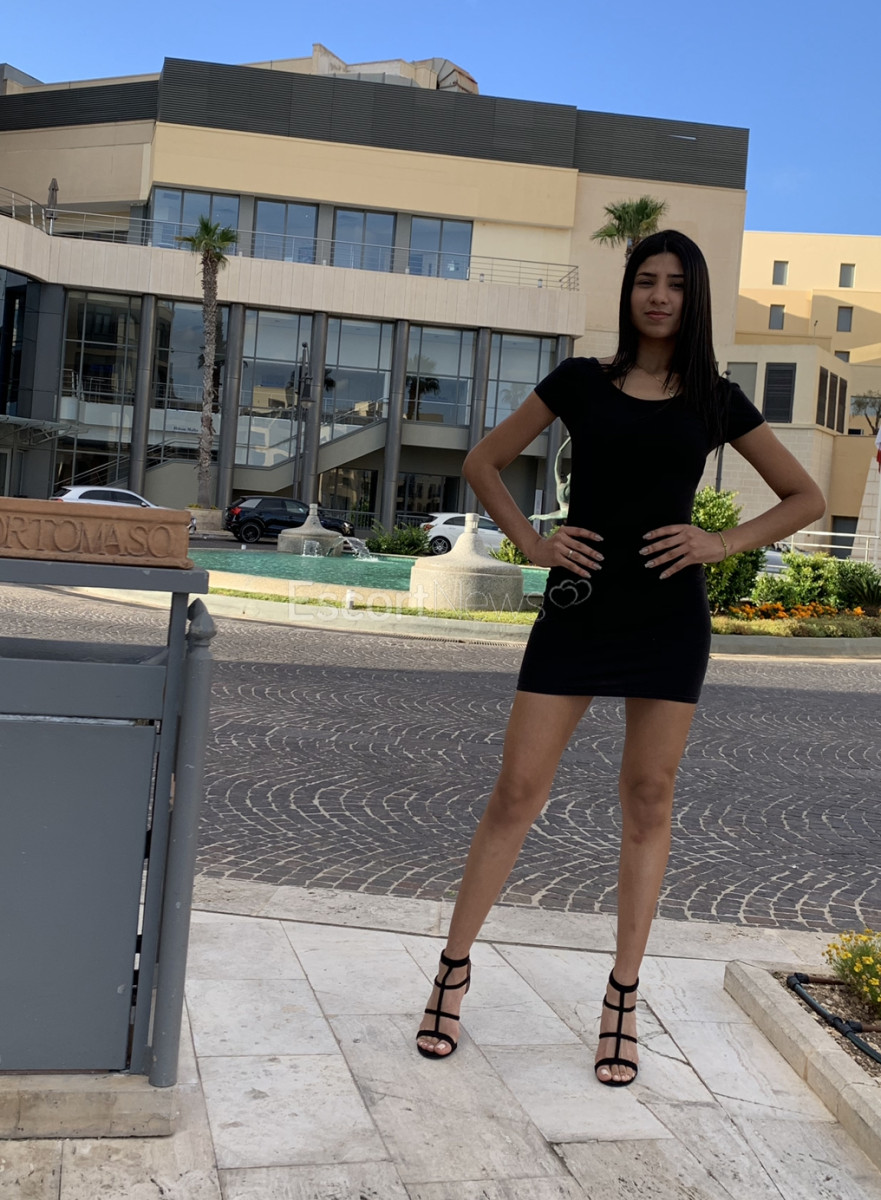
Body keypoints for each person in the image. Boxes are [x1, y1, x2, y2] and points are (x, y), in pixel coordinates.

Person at [415, 229, 825, 1086]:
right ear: (629, 290)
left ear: (692, 296)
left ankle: (621, 1000)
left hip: (667, 619)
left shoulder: (714, 398)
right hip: (578, 610)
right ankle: (451, 973)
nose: (659, 295)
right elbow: (484, 461)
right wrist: (532, 543)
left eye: (674, 283)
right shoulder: (579, 380)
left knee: (647, 800)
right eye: (646, 280)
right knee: (515, 793)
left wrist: (721, 542)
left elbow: (804, 497)